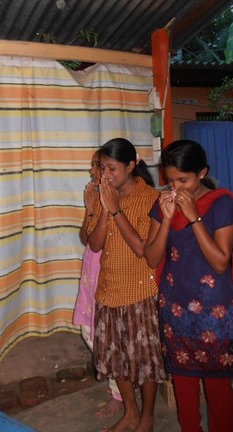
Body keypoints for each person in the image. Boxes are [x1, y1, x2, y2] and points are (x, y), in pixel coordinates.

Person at [144, 140, 233, 432]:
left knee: (217, 384)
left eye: (183, 180)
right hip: (175, 306)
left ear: (202, 172)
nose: (175, 187)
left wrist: (194, 218)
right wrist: (166, 220)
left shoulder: (222, 203)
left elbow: (221, 262)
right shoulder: (163, 204)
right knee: (183, 381)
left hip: (213, 309)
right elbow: (152, 257)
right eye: (170, 180)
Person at [87, 138, 165, 432]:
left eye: (112, 168)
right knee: (116, 358)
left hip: (139, 293)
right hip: (108, 291)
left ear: (131, 166)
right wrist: (105, 209)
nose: (105, 175)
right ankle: (131, 412)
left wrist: (116, 210)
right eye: (102, 168)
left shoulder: (151, 199)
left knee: (145, 362)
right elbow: (95, 244)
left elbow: (143, 249)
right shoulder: (103, 195)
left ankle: (147, 416)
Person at [71, 149, 123, 418]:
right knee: (90, 331)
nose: (92, 171)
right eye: (95, 166)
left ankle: (119, 393)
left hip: (109, 272)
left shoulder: (119, 197)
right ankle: (120, 386)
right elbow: (85, 238)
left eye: (97, 166)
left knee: (108, 337)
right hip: (92, 270)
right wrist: (90, 209)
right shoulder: (96, 194)